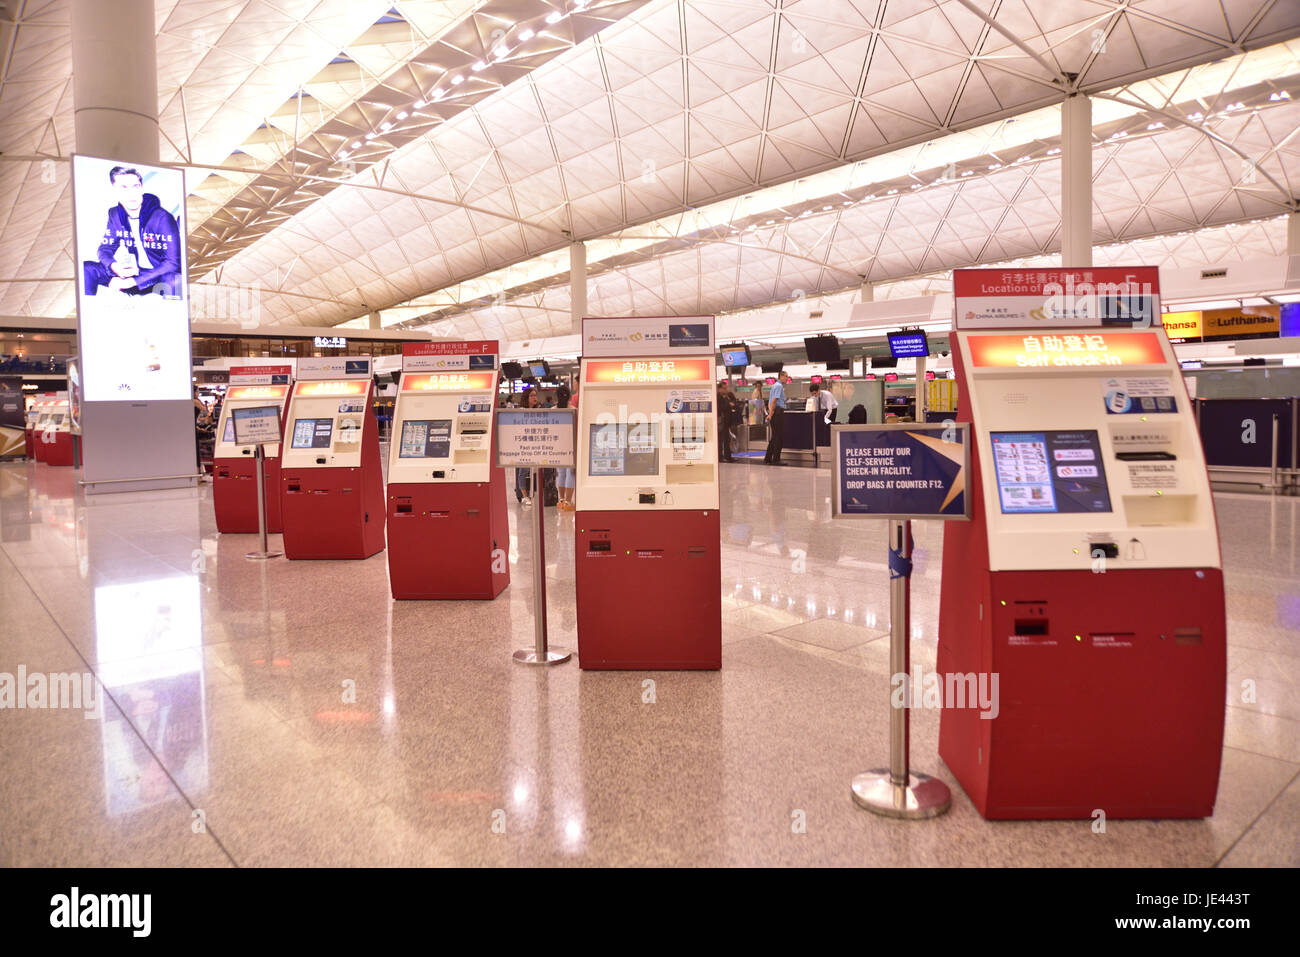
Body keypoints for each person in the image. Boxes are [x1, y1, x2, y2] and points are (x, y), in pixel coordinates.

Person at [83, 166, 183, 298]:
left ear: (141, 188)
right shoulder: (115, 215)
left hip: (158, 276)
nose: (131, 193)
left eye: (135, 186)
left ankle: (172, 315)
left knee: (174, 279)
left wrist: (132, 281)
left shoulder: (162, 218)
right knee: (87, 268)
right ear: (114, 190)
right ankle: (87, 312)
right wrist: (114, 266)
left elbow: (172, 263)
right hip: (136, 273)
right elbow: (105, 248)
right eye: (124, 188)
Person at [515, 388, 540, 505]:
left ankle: (532, 493)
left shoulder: (538, 411)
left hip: (535, 444)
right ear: (526, 398)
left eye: (535, 395)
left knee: (534, 470)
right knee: (523, 470)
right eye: (532, 396)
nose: (535, 398)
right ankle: (524, 495)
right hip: (523, 444)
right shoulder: (521, 411)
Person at [556, 383, 577, 510]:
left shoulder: (553, 410)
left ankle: (561, 500)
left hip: (557, 446)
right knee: (571, 473)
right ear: (569, 396)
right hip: (570, 445)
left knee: (561, 473)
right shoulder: (573, 410)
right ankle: (568, 502)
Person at [763, 370, 791, 465]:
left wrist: (770, 413)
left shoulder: (774, 386)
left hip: (775, 413)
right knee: (779, 437)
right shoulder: (779, 386)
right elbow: (774, 401)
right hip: (778, 413)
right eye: (786, 376)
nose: (787, 378)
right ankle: (776, 459)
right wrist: (771, 414)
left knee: (775, 436)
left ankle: (767, 458)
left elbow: (770, 402)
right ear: (781, 376)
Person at [716, 380, 740, 463]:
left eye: (726, 388)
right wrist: (728, 405)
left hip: (726, 422)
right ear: (719, 389)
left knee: (727, 440)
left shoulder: (726, 397)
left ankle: (728, 456)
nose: (726, 390)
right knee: (720, 440)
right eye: (724, 388)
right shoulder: (717, 397)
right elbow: (720, 408)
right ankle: (720, 457)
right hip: (721, 422)